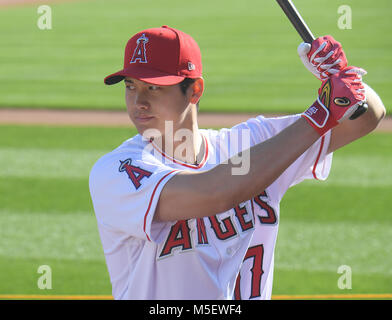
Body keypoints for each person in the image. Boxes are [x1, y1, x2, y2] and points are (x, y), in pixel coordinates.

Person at [89, 26, 385, 300]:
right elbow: (215, 192)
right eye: (130, 86)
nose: (138, 101)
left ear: (195, 90)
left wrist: (339, 75)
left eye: (153, 87)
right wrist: (320, 115)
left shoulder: (248, 145)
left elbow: (367, 117)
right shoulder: (118, 171)